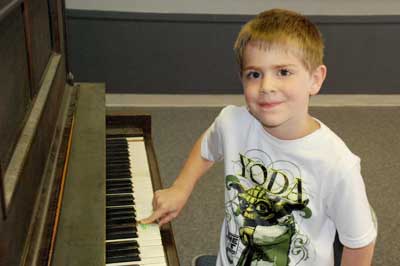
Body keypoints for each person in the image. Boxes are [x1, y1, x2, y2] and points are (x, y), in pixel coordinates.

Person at [141, 8, 377, 266]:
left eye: (283, 72)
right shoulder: (233, 122)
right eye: (254, 74)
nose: (266, 87)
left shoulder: (337, 164)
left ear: (315, 79)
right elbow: (207, 148)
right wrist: (181, 188)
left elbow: (360, 242)